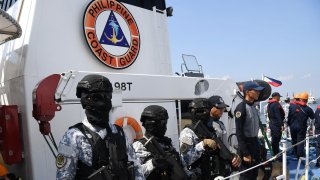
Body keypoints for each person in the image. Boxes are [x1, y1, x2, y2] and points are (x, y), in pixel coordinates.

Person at [56, 74, 145, 180]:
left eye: (107, 97)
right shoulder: (72, 137)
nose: (104, 102)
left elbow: (136, 168)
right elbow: (64, 177)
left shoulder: (119, 133)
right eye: (98, 97)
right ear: (86, 100)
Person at [179, 97, 241, 180]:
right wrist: (202, 144)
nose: (208, 114)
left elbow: (221, 150)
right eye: (205, 111)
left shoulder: (211, 129)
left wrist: (232, 156)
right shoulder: (188, 132)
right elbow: (185, 160)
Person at [132, 105, 188, 180]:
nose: (165, 126)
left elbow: (180, 165)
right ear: (152, 124)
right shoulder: (139, 145)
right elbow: (135, 174)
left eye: (165, 122)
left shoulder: (167, 143)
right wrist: (153, 163)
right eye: (162, 122)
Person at [234, 81, 265, 180]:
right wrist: (245, 153)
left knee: (254, 174)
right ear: (247, 92)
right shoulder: (241, 108)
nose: (258, 93)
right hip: (246, 146)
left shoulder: (253, 107)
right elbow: (239, 132)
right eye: (256, 91)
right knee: (246, 176)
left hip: (254, 144)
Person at [287, 92, 315, 159]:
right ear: (306, 100)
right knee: (300, 141)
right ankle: (299, 155)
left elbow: (289, 116)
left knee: (294, 140)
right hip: (301, 127)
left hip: (292, 126)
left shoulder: (292, 106)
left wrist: (289, 124)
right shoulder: (308, 109)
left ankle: (295, 152)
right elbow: (313, 117)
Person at [267, 92, 285, 156]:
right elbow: (278, 115)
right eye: (279, 96)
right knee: (276, 140)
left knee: (274, 139)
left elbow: (269, 115)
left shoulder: (270, 104)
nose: (279, 98)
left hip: (272, 123)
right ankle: (276, 154)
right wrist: (281, 125)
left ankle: (275, 152)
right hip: (276, 124)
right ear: (276, 97)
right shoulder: (276, 104)